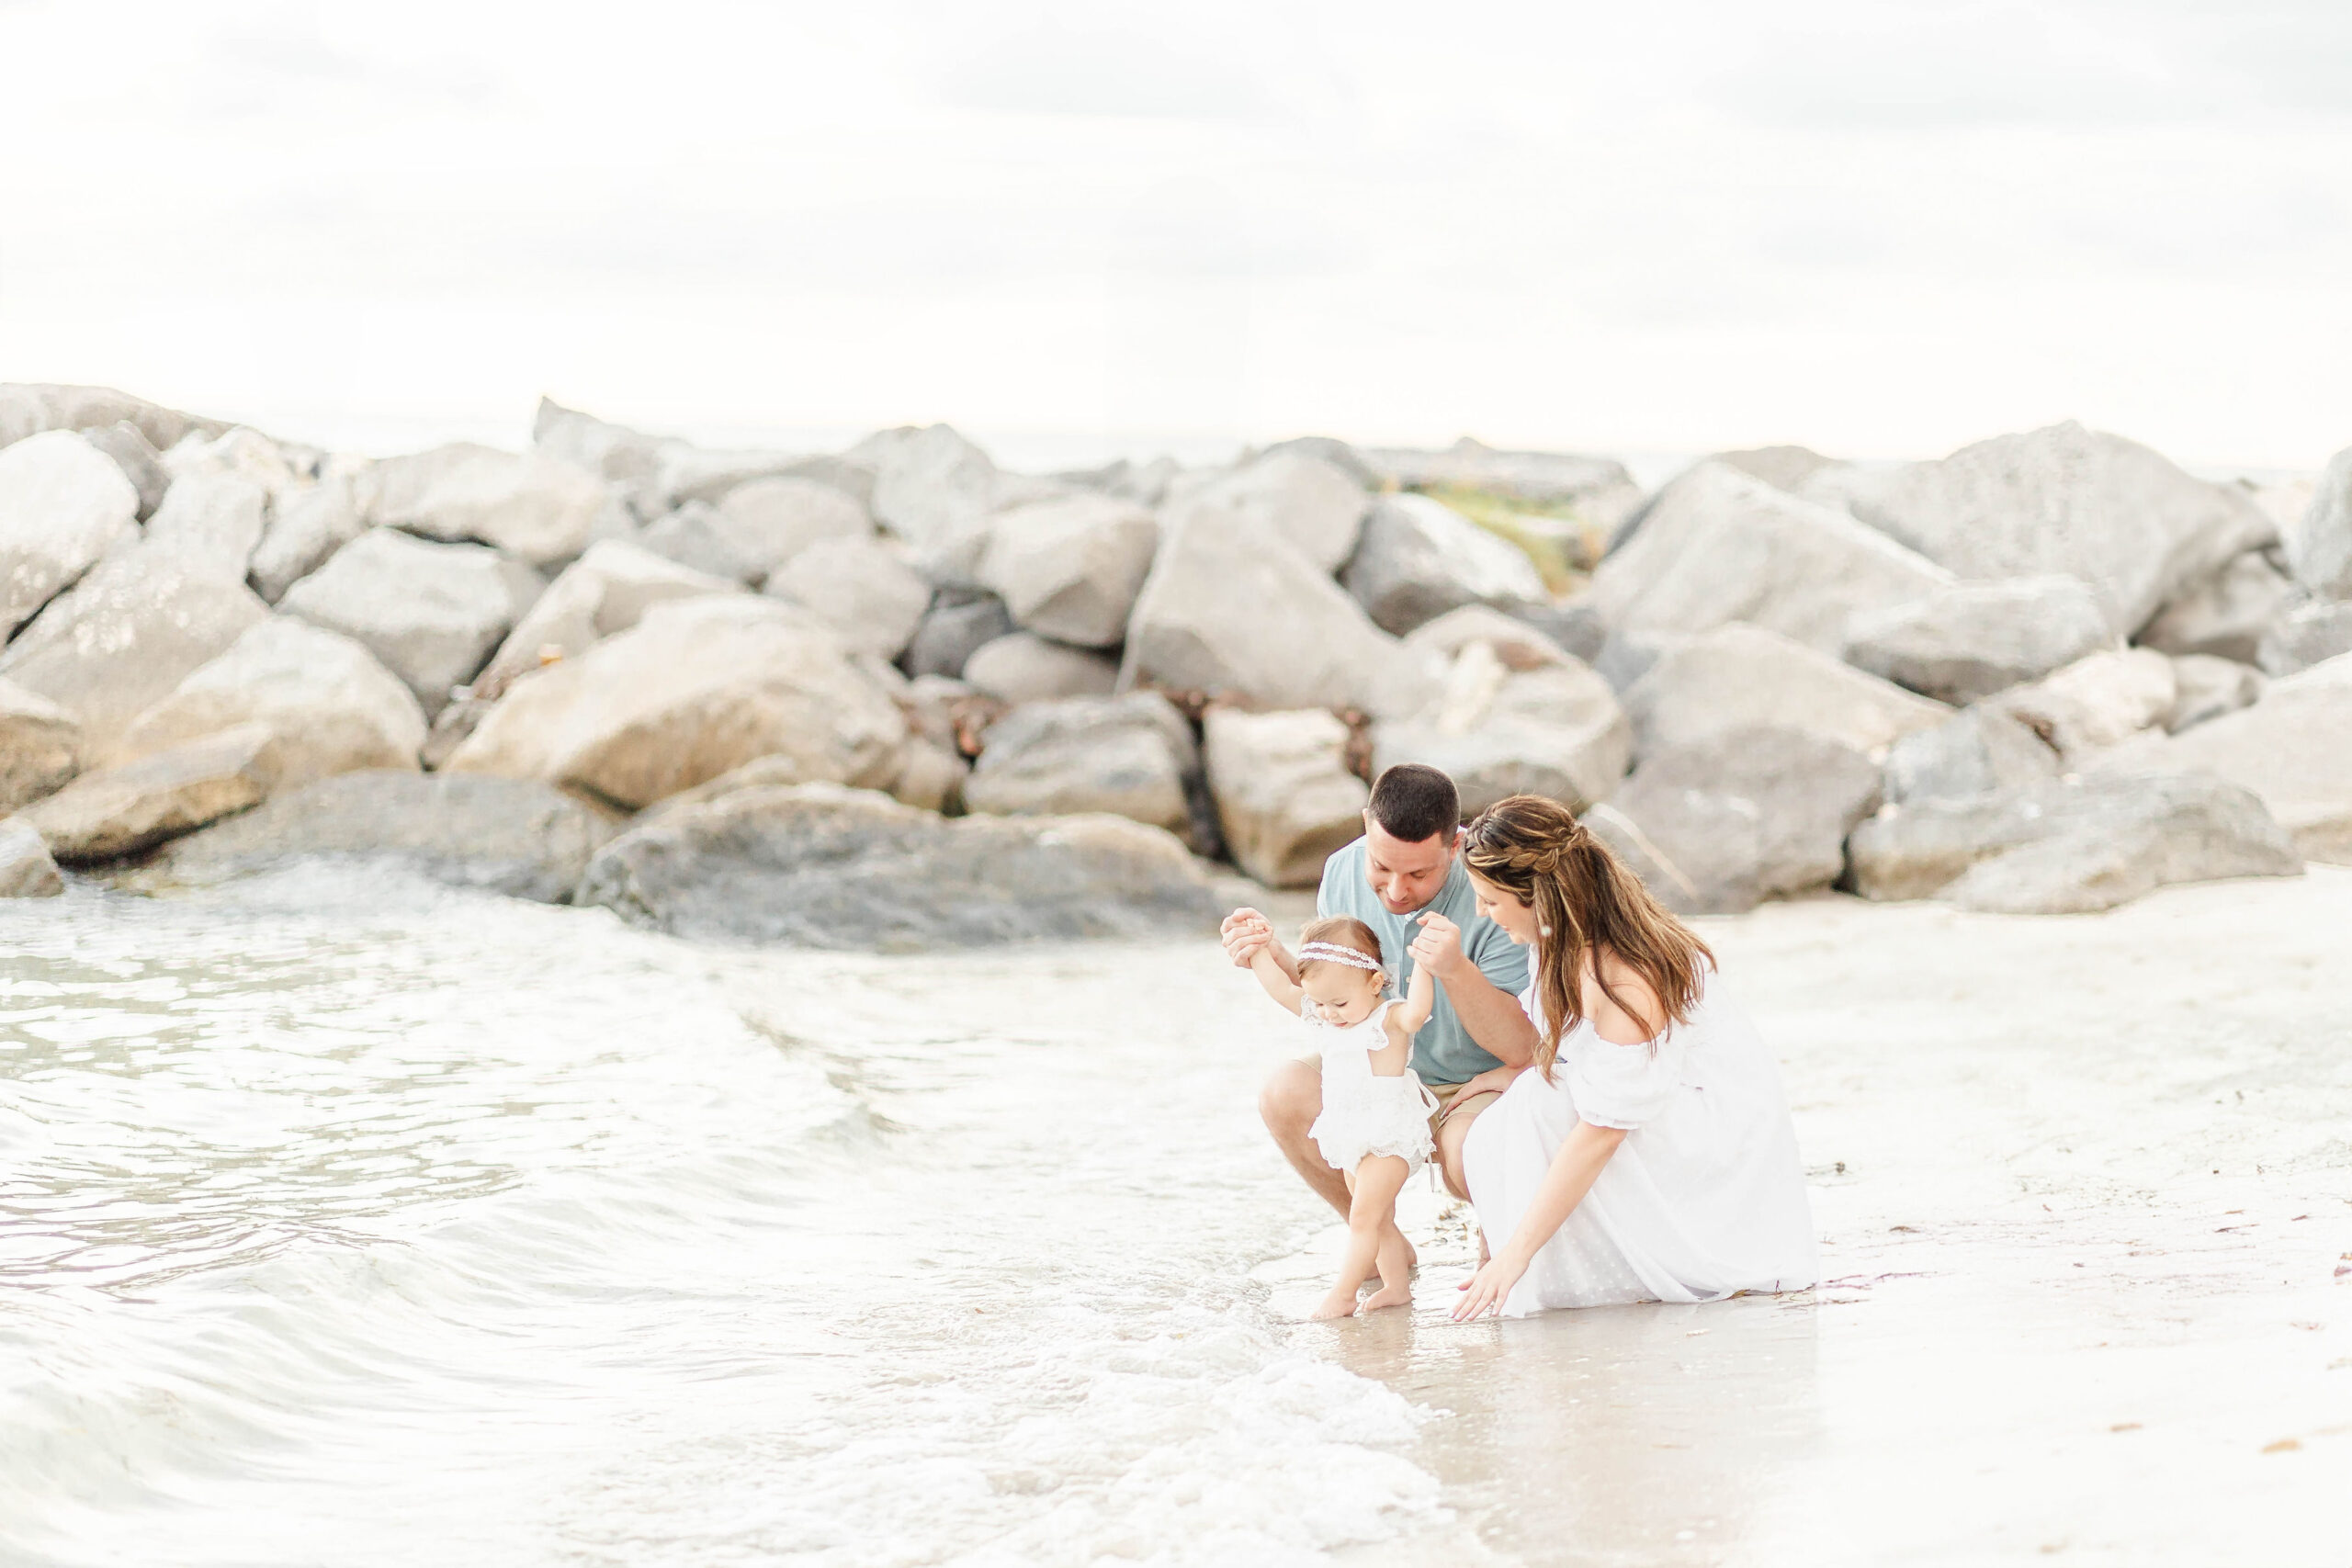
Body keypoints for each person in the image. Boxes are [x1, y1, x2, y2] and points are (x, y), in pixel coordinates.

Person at [1447, 795, 1817, 1321]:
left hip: (1709, 1140)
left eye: (1490, 899)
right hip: (1648, 1100)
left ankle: (1533, 1272)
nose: (1481, 912)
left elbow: (1602, 1133)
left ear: (1537, 897)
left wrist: (1516, 1256)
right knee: (1509, 1115)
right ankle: (1532, 1269)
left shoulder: (1627, 977)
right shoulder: (1557, 933)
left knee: (1539, 1109)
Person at [1223, 764, 1535, 1261]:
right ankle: (1380, 1243)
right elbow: (1336, 1000)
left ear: (1455, 846)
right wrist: (1271, 955)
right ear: (1368, 823)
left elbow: (1520, 1046)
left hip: (1474, 1083)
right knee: (1283, 1091)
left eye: (1418, 874)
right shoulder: (1341, 870)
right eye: (1382, 868)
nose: (1394, 890)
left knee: (1470, 1155)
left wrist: (1453, 968)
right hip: (1379, 1072)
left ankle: (1498, 1237)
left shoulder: (1496, 887)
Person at [1242, 915, 1440, 1318]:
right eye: (1319, 1003)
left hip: (1389, 1136)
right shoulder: (1327, 1014)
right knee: (1379, 1218)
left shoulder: (1388, 1019)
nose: (1329, 1014)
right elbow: (1281, 988)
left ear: (1374, 983)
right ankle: (1397, 1288)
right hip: (1349, 1134)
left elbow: (1418, 1012)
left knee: (1363, 1218)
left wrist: (1424, 962)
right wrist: (1260, 948)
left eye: (1340, 1003)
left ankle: (1344, 1295)